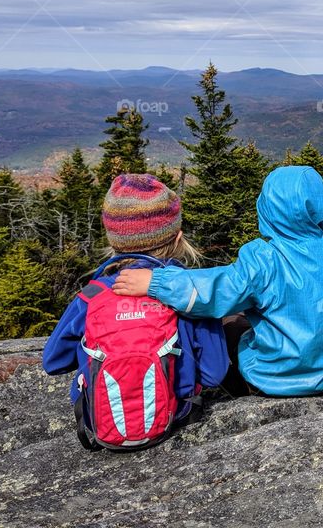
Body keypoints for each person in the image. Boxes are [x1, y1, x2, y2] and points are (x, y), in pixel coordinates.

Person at [113, 165, 323, 397]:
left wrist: (156, 282)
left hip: (274, 379)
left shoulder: (263, 258)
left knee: (230, 323)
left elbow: (215, 290)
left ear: (267, 208)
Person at [43, 174, 229, 443]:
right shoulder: (188, 292)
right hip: (176, 413)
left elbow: (53, 362)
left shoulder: (92, 295)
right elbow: (214, 371)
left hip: (102, 420)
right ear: (177, 238)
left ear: (114, 241)